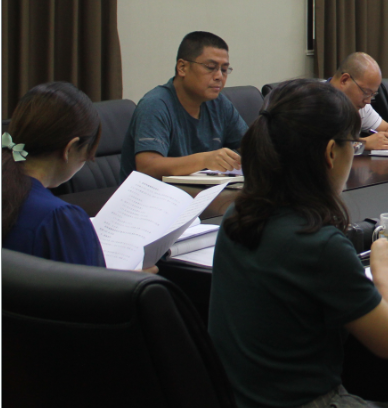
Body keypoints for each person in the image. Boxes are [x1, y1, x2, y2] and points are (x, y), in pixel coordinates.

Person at [209, 79, 388, 408]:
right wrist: (384, 271)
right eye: (353, 145)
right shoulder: (319, 243)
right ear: (331, 153)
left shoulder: (237, 215)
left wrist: (379, 307)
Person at [2, 82, 105, 267]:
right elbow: (89, 284)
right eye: (87, 155)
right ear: (69, 149)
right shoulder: (59, 219)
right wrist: (129, 280)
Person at [120, 31, 247, 180]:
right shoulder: (155, 105)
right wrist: (204, 160)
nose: (219, 76)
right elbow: (147, 167)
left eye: (224, 70)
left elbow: (251, 147)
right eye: (210, 67)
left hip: (202, 191)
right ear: (182, 67)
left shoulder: (219, 104)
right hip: (156, 193)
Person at [329, 52, 388, 151]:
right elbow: (322, 146)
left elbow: (387, 128)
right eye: (366, 92)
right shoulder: (315, 101)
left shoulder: (359, 105)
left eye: (372, 94)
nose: (368, 101)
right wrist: (363, 143)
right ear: (344, 80)